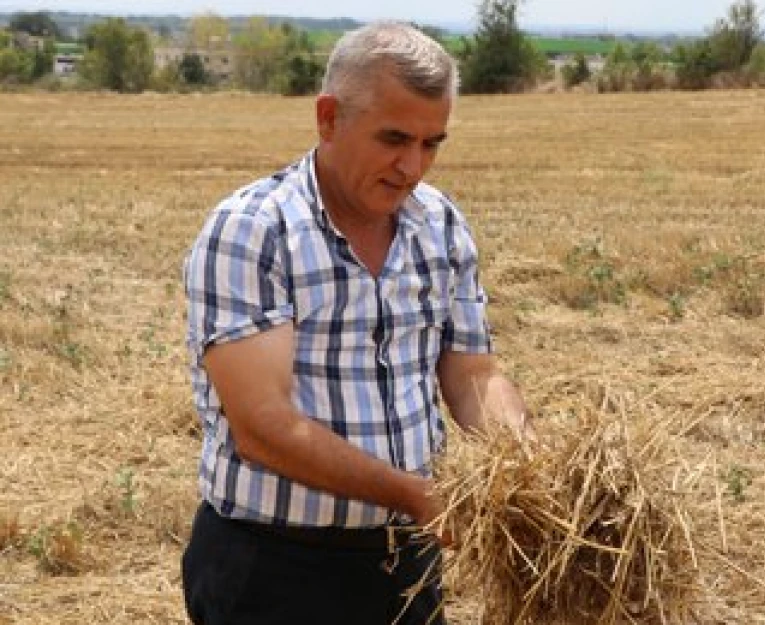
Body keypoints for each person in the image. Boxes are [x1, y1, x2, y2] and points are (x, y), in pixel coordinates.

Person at [180, 21, 529, 625]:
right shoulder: (254, 231)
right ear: (328, 118)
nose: (412, 166)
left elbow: (472, 373)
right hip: (274, 569)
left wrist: (523, 464)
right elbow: (263, 428)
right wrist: (413, 495)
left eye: (431, 142)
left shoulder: (440, 224)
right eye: (394, 138)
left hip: (405, 564)